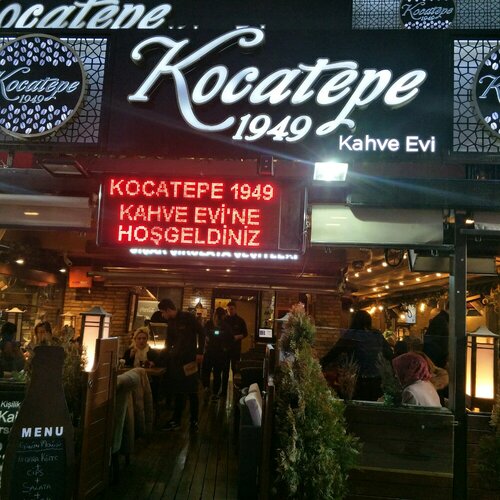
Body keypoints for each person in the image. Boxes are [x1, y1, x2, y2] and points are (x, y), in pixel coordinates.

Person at [159, 298, 204, 431]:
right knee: (178, 390)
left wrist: (200, 352)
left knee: (192, 391)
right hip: (176, 360)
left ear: (168, 310)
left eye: (163, 312)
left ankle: (194, 421)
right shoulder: (171, 322)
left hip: (190, 359)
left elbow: (202, 333)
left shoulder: (188, 317)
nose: (162, 315)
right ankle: (176, 420)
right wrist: (160, 358)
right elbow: (168, 342)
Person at [341, 310, 393, 401]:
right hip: (377, 379)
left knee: (358, 405)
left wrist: (321, 363)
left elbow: (335, 351)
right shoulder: (376, 335)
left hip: (358, 380)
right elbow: (389, 353)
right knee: (373, 406)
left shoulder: (351, 335)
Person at [202, 307, 232, 401]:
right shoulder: (224, 325)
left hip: (213, 352)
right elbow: (230, 338)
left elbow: (204, 334)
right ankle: (212, 392)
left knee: (209, 372)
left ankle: (208, 389)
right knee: (215, 373)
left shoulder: (211, 324)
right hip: (217, 353)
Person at [222, 301, 248, 398]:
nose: (230, 311)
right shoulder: (224, 320)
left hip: (236, 349)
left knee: (235, 369)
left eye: (232, 309)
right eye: (228, 309)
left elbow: (245, 333)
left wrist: (237, 337)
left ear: (235, 309)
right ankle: (223, 391)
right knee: (224, 370)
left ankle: (235, 391)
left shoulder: (240, 321)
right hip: (225, 349)